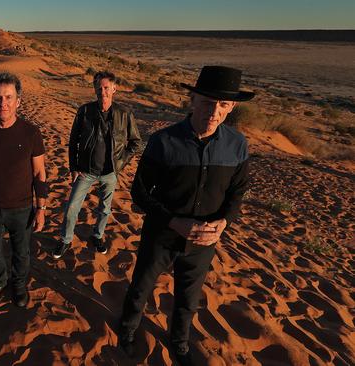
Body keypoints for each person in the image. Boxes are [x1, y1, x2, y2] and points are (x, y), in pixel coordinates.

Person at [118, 66, 254, 365]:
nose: (214, 111)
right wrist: (173, 221)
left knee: (187, 301)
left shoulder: (237, 145)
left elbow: (237, 192)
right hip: (161, 236)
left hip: (204, 243)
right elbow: (140, 193)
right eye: (207, 102)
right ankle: (126, 332)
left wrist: (224, 222)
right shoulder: (163, 141)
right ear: (192, 99)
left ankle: (178, 343)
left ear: (232, 107)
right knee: (141, 289)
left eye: (223, 105)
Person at [0, 72, 48, 308]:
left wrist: (41, 208)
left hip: (22, 209)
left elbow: (39, 174)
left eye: (8, 97)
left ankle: (19, 285)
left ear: (18, 101)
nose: (3, 103)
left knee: (21, 254)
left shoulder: (31, 133)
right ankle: (1, 280)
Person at [53, 71, 141, 259]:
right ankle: (66, 240)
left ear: (114, 89)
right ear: (94, 89)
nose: (103, 92)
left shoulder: (124, 113)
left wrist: (120, 162)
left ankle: (97, 236)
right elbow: (73, 139)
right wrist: (74, 167)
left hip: (110, 172)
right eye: (99, 88)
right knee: (71, 208)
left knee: (104, 208)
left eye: (106, 88)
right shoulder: (85, 111)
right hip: (86, 171)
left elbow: (135, 143)